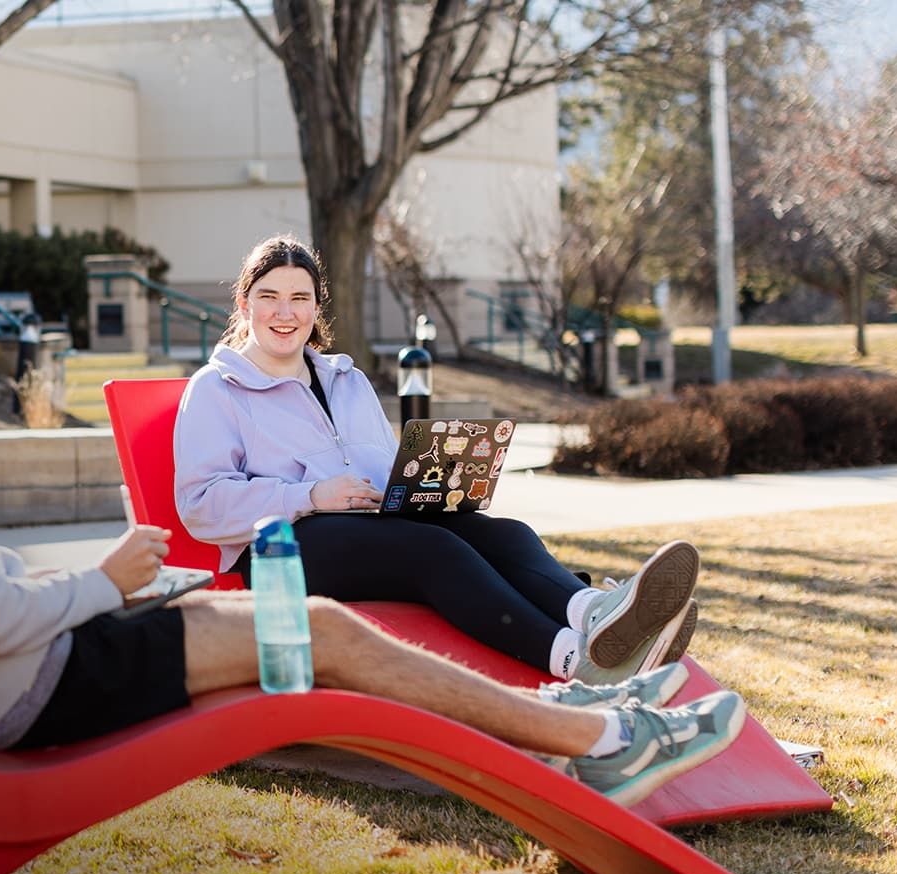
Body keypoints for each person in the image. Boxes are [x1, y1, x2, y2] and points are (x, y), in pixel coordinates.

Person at [0, 213, 742, 805]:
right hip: (24, 682)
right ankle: (589, 729)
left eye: (301, 299)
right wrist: (101, 583)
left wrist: (98, 589)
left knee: (481, 531)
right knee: (336, 623)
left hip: (23, 665)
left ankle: (591, 651)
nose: (287, 313)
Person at [174, 234, 699, 688]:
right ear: (244, 304)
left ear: (316, 307)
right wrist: (309, 496)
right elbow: (199, 505)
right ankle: (574, 660)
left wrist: (422, 485)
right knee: (432, 550)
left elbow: (382, 464)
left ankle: (596, 614)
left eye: (299, 298)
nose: (284, 313)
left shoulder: (346, 379)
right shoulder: (218, 388)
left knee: (500, 533)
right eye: (269, 297)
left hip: (368, 527)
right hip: (282, 550)